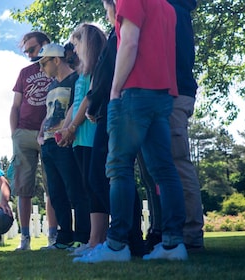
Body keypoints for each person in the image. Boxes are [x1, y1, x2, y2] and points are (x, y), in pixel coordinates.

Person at [76, 0, 188, 263]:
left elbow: (129, 42)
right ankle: (173, 244)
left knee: (119, 168)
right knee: (164, 169)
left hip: (133, 93)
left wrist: (114, 91)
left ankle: (116, 246)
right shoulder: (167, 8)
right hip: (162, 95)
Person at [72, 0, 146, 260]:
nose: (107, 14)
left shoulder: (120, 34)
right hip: (107, 109)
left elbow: (109, 77)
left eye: (107, 8)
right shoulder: (117, 33)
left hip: (114, 108)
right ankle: (128, 239)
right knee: (105, 178)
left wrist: (96, 101)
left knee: (110, 176)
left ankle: (126, 238)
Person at [140, 0, 205, 253]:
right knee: (162, 167)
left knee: (177, 163)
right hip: (167, 91)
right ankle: (166, 229)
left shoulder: (172, 10)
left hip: (173, 92)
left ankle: (189, 234)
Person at [56, 24, 107, 253]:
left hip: (90, 135)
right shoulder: (80, 73)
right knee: (89, 187)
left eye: (76, 44)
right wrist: (66, 130)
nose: (74, 50)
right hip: (78, 137)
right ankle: (95, 240)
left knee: (96, 186)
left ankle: (98, 239)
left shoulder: (95, 69)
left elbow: (88, 100)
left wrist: (73, 127)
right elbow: (74, 104)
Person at [35, 43, 88, 249]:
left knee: (75, 190)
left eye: (44, 63)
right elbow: (48, 113)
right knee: (56, 193)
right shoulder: (51, 86)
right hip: (47, 145)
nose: (41, 69)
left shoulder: (76, 79)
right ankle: (64, 238)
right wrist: (41, 133)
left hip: (66, 142)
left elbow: (76, 107)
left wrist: (65, 131)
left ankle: (83, 237)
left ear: (57, 59)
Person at [10, 31, 58, 250]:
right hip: (24, 134)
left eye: (32, 49)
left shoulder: (56, 66)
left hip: (49, 134)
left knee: (53, 186)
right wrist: (15, 134)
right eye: (26, 50)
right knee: (23, 188)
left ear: (45, 44)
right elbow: (15, 106)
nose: (29, 54)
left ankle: (53, 237)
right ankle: (25, 239)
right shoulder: (24, 72)